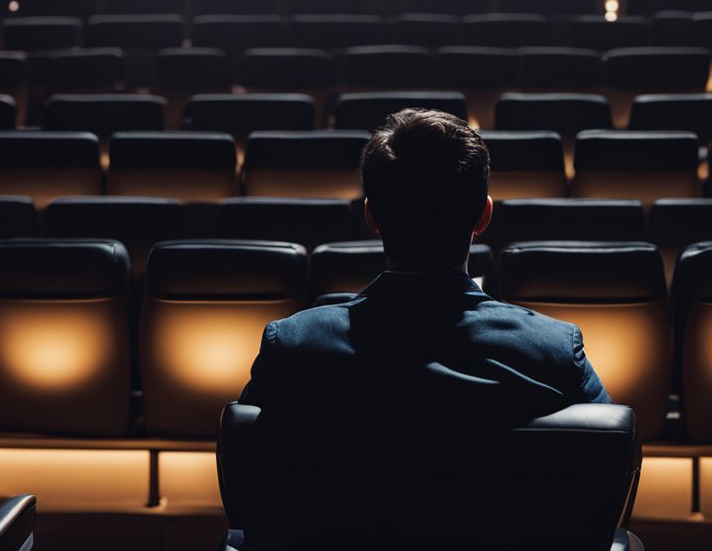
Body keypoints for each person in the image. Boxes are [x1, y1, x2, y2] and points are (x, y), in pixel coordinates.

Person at [239, 107, 609, 425]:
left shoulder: (292, 346)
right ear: (484, 216)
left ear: (371, 216)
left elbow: (249, 463)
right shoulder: (553, 351)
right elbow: (610, 455)